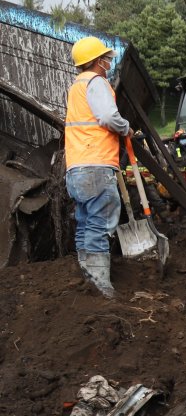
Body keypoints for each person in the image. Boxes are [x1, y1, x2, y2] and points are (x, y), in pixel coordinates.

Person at [65, 37, 132, 298]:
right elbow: (107, 117)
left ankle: (88, 280)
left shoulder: (76, 86)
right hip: (96, 164)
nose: (108, 62)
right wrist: (126, 128)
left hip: (77, 167)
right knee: (100, 223)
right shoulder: (96, 83)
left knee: (85, 222)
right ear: (96, 61)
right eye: (105, 58)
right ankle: (101, 286)